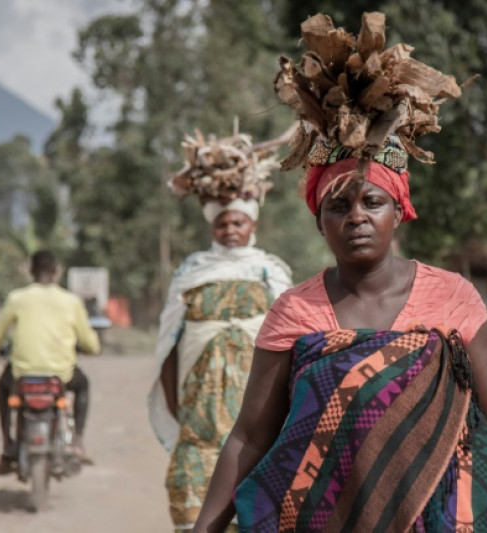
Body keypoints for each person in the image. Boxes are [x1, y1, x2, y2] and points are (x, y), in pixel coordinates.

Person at [193, 14, 487, 532]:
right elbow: (249, 438)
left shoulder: (454, 298)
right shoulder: (295, 312)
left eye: (373, 202)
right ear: (319, 219)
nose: (357, 218)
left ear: (400, 210)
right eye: (338, 206)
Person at [149, 129, 293, 531]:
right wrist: (178, 411)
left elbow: (290, 345)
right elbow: (169, 348)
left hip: (259, 424)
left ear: (252, 225)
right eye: (222, 223)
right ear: (212, 227)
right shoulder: (191, 273)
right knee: (194, 517)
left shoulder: (272, 273)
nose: (230, 229)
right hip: (198, 424)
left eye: (238, 222)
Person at [0, 250, 100, 473]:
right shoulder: (70, 301)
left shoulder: (17, 298)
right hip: (61, 377)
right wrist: (91, 348)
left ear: (31, 271)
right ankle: (77, 441)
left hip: (22, 376)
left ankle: (8, 443)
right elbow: (91, 343)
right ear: (55, 272)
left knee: (3, 386)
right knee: (83, 385)